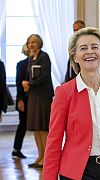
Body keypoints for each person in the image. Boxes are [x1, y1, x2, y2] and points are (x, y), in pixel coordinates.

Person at [43, 27, 100, 180]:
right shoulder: (64, 92)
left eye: (95, 47)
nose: (89, 52)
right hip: (76, 172)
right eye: (83, 48)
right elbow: (54, 140)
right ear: (75, 57)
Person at [22, 34, 54, 168]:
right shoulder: (31, 58)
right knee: (36, 128)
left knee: (43, 128)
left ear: (39, 43)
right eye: (29, 42)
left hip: (43, 96)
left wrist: (30, 84)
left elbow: (45, 76)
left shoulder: (44, 57)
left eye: (33, 42)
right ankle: (40, 156)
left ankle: (47, 158)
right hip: (33, 96)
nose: (31, 44)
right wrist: (26, 83)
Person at [11, 44, 30, 159]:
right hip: (24, 98)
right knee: (22, 124)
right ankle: (16, 149)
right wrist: (20, 100)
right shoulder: (21, 64)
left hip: (34, 99)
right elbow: (19, 83)